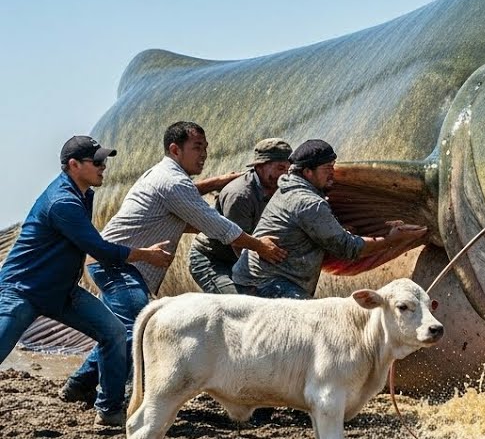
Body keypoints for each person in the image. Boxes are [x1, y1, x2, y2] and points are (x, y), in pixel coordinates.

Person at [59, 122, 288, 405]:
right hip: (117, 262)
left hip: (115, 262)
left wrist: (214, 184)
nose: (203, 154)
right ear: (175, 149)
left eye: (205, 147)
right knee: (139, 331)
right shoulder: (173, 182)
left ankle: (79, 384)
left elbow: (184, 209)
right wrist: (259, 246)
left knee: (120, 330)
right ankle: (111, 405)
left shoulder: (165, 175)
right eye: (197, 148)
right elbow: (214, 225)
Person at [0, 136, 172, 425]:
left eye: (104, 161)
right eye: (97, 162)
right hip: (23, 291)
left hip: (63, 292)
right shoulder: (62, 202)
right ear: (73, 165)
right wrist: (145, 255)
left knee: (115, 332)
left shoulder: (84, 195)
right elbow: (99, 248)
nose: (104, 167)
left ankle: (109, 411)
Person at [233, 139, 429, 299]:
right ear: (308, 172)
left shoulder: (290, 187)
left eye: (333, 166)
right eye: (327, 167)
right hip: (265, 285)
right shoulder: (308, 202)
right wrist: (393, 240)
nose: (332, 172)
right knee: (311, 329)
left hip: (252, 280)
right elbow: (348, 248)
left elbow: (313, 229)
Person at [188, 138, 292, 294]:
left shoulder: (281, 187)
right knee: (240, 303)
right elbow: (237, 242)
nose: (284, 174)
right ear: (260, 167)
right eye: (280, 168)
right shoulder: (239, 195)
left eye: (288, 170)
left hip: (245, 254)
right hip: (213, 259)